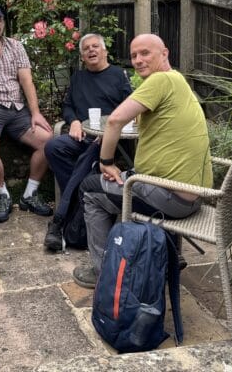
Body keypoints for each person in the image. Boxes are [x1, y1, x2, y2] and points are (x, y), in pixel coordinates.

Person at [72, 33, 213, 288]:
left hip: (170, 198)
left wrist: (106, 161)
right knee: (127, 178)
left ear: (164, 53)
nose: (138, 60)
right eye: (134, 55)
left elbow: (115, 120)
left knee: (90, 190)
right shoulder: (178, 80)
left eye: (145, 53)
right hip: (194, 195)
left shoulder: (160, 80)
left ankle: (105, 273)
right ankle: (166, 256)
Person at [0, 3, 54, 223]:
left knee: (48, 141)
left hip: (17, 107)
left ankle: (29, 193)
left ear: (4, 23)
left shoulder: (16, 46)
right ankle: (3, 195)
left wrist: (35, 113)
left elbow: (27, 81)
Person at [43, 33, 132, 251]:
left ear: (104, 51)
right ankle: (77, 205)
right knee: (53, 147)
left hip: (109, 141)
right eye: (86, 49)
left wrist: (110, 131)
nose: (91, 50)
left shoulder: (118, 76)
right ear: (82, 56)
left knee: (88, 157)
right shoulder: (78, 78)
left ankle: (59, 221)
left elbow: (129, 108)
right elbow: (67, 106)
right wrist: (73, 121)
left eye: (95, 46)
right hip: (82, 136)